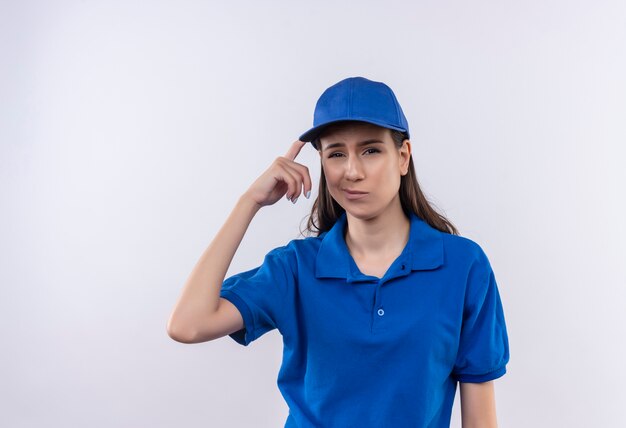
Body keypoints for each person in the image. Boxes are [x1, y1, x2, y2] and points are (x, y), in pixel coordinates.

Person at [167, 76, 510, 427]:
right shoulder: (295, 269)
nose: (352, 171)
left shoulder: (463, 267)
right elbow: (187, 325)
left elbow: (480, 418)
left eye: (371, 150)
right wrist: (248, 202)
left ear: (403, 156)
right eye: (336, 154)